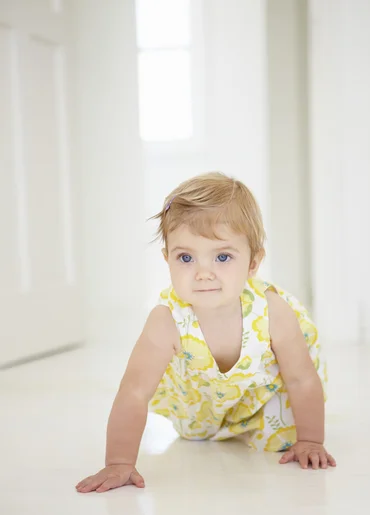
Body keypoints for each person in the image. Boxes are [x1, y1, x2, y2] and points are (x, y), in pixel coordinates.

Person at [76, 172, 336, 494]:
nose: (202, 273)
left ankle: (264, 427)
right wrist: (119, 461)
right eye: (185, 257)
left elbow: (301, 379)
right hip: (198, 403)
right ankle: (213, 425)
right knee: (195, 435)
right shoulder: (166, 321)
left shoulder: (272, 313)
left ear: (253, 263)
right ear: (167, 259)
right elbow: (134, 392)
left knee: (282, 436)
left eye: (222, 256)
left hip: (259, 396)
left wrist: (311, 440)